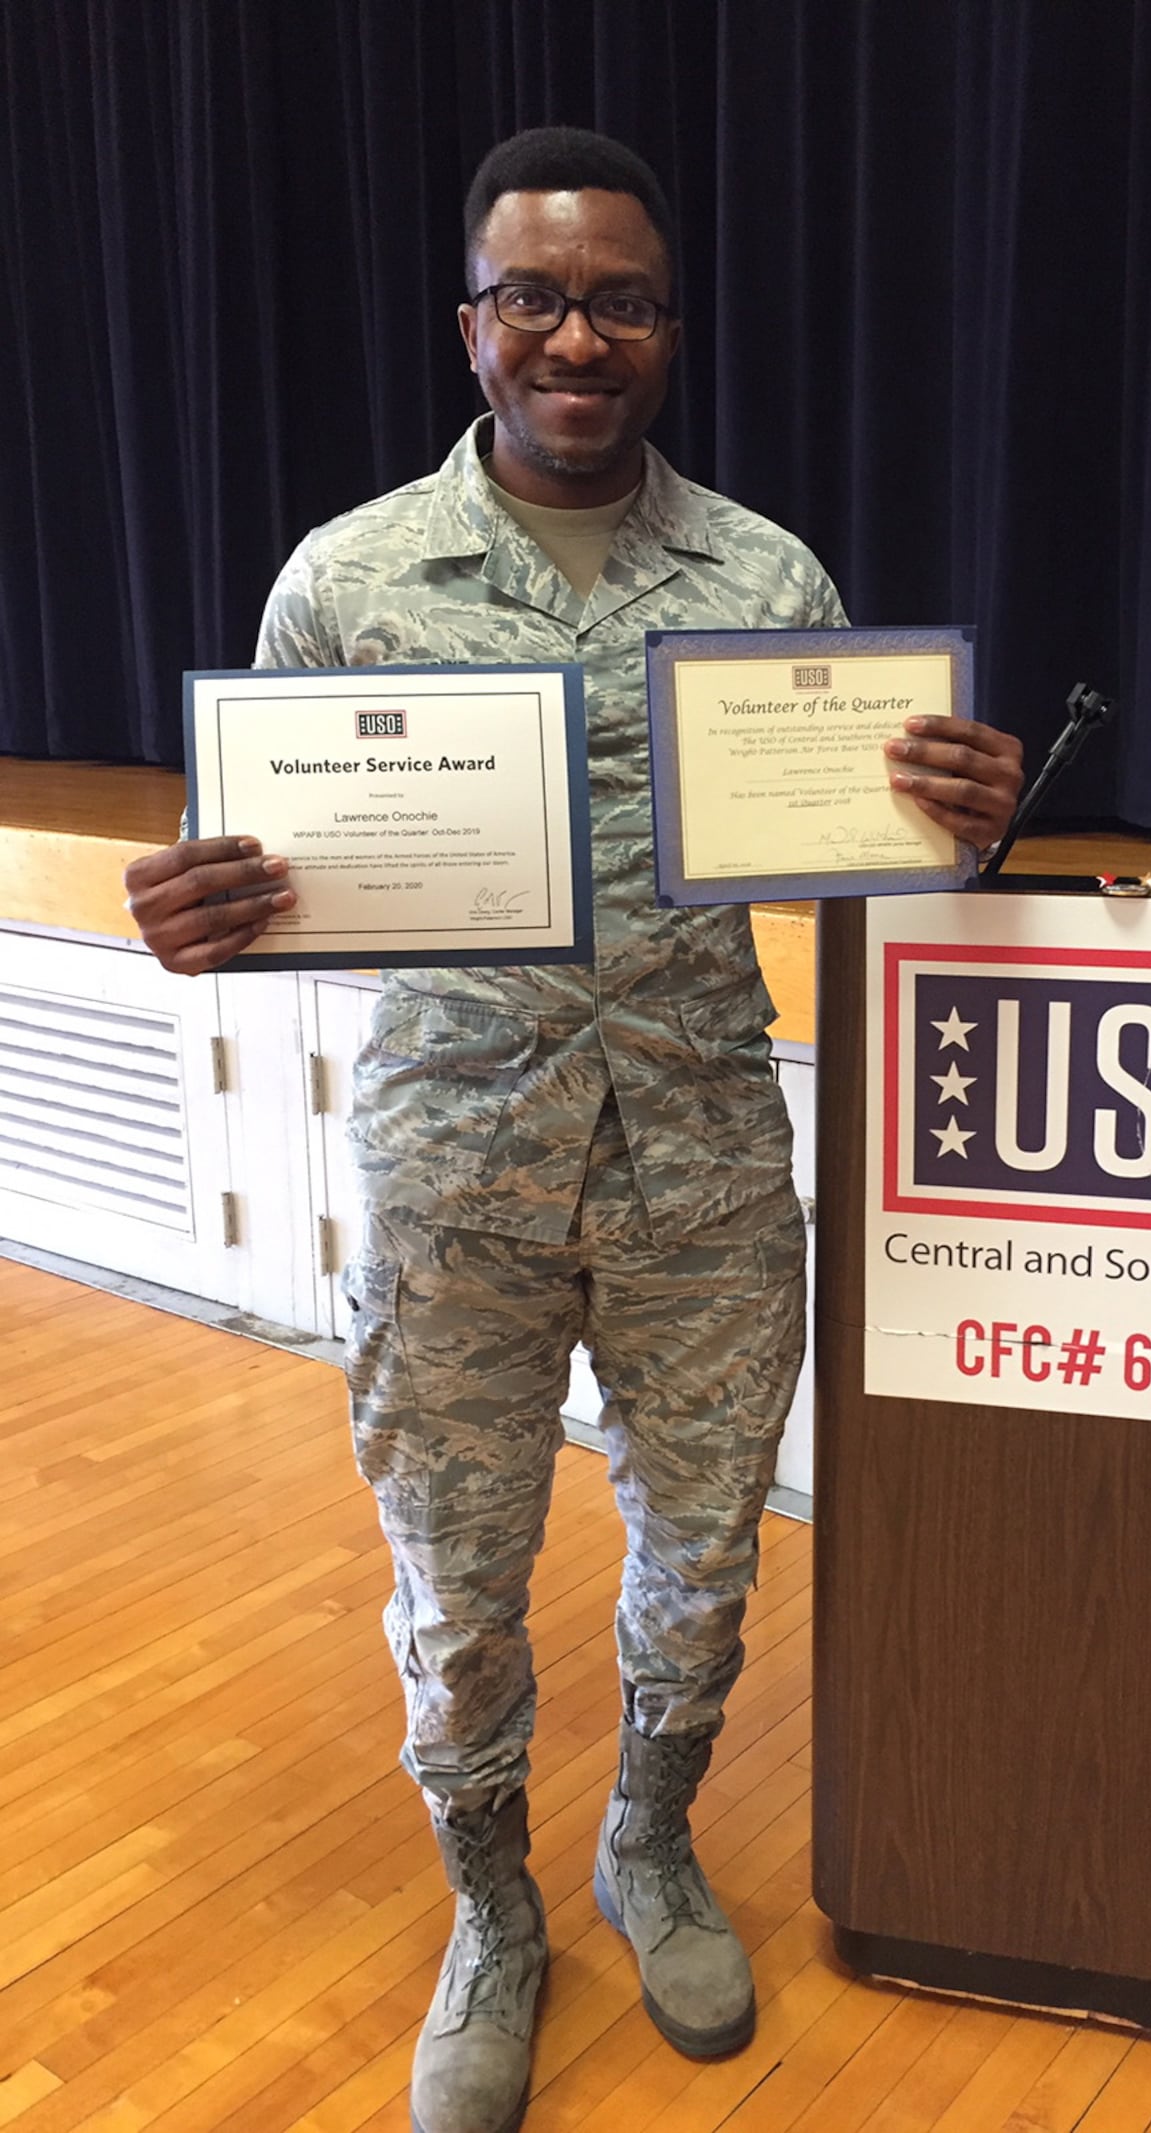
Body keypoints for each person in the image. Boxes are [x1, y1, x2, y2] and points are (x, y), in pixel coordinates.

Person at [125, 127, 1022, 2133]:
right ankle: (490, 1912)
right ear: (471, 327)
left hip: (702, 1156)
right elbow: (270, 879)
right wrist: (201, 920)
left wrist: (953, 825)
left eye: (617, 296)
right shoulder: (346, 583)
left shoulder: (767, 575)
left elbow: (843, 860)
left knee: (697, 1564)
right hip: (453, 1175)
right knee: (454, 1585)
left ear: (666, 334)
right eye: (533, 293)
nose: (575, 332)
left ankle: (644, 1836)